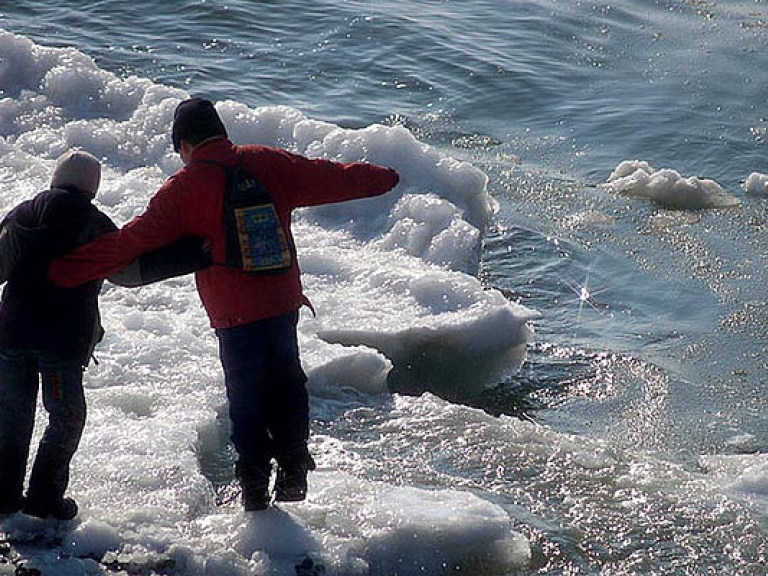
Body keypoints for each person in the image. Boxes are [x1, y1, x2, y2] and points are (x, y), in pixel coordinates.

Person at [49, 97, 400, 511]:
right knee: (287, 381)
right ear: (221, 130)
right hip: (282, 299)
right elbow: (333, 176)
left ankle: (253, 486)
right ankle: (293, 469)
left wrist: (64, 270)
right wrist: (385, 177)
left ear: (183, 143)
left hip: (234, 313)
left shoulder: (184, 187)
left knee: (246, 394)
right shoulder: (268, 162)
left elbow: (131, 241)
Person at [0, 150, 209, 520]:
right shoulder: (94, 223)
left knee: (13, 417)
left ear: (55, 177)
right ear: (93, 189)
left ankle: (3, 496)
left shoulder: (21, 215)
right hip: (60, 344)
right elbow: (128, 272)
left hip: (10, 336)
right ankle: (44, 498)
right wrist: (193, 254)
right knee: (66, 417)